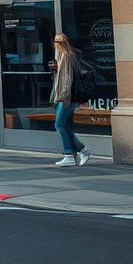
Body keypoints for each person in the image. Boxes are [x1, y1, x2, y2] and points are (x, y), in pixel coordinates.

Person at [49, 32, 92, 167]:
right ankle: (81, 151)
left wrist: (64, 97)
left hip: (66, 97)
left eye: (58, 42)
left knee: (59, 124)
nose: (57, 44)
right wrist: (55, 70)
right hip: (64, 96)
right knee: (64, 125)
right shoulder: (63, 56)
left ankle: (71, 154)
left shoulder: (67, 56)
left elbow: (67, 80)